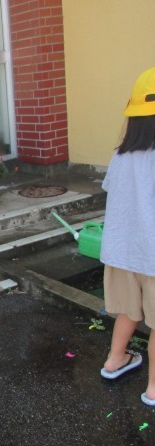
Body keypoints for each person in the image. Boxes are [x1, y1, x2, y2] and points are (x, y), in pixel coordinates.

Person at [100, 66, 155, 407]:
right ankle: (153, 388)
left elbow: (114, 192)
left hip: (122, 253)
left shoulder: (121, 155)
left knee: (128, 311)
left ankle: (114, 360)